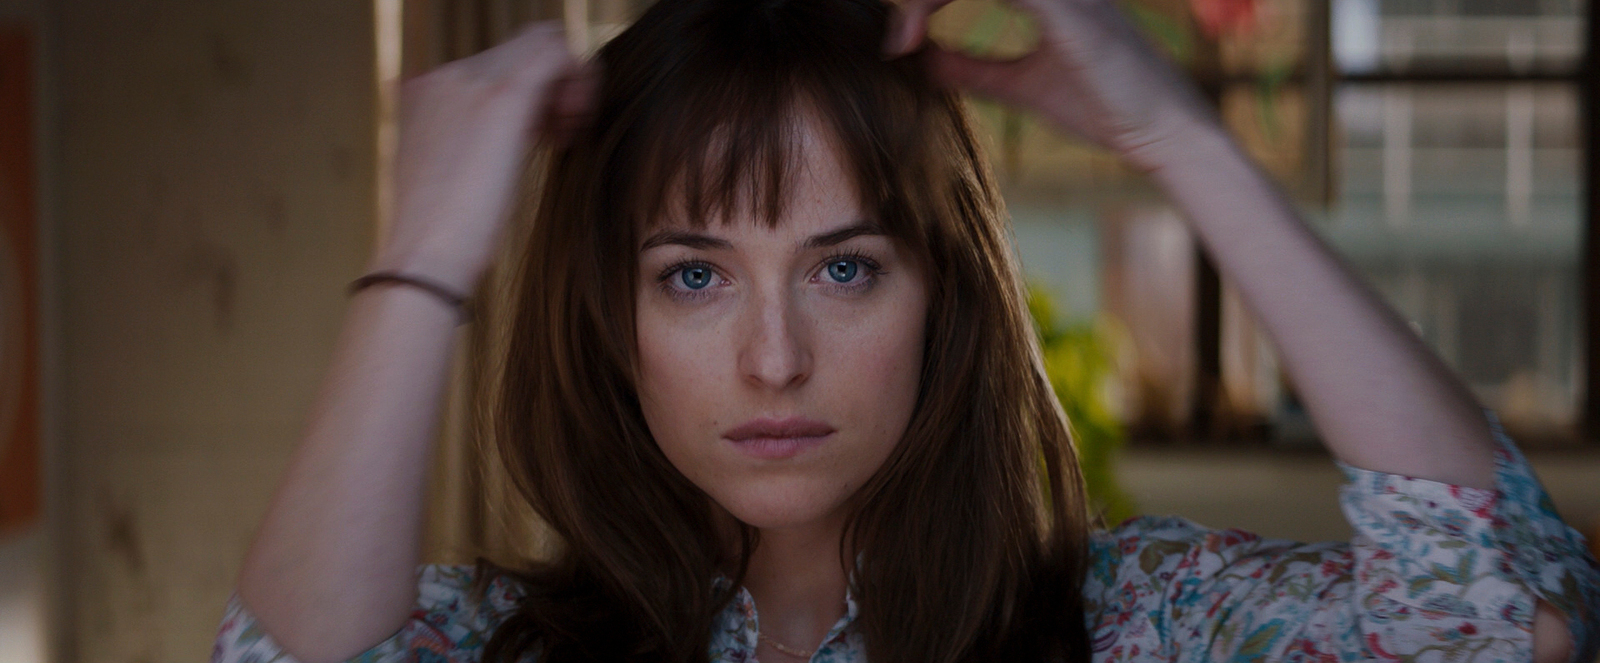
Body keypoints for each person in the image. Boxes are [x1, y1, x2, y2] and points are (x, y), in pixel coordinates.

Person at [212, 0, 1600, 661]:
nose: (772, 360)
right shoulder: (501, 642)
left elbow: (1507, 620)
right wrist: (420, 257)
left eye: (844, 271)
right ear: (611, 318)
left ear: (947, 294)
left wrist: (1181, 141)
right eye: (694, 277)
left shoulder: (1135, 625)